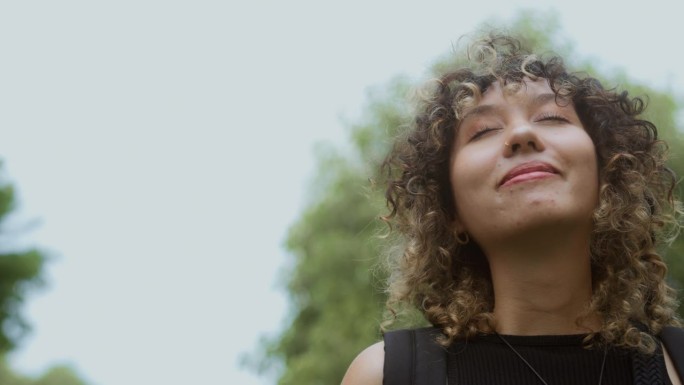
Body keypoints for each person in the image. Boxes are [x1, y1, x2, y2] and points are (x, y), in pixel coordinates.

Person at [341, 34, 683, 385]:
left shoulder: (675, 365)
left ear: (608, 175)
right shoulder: (386, 375)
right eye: (484, 130)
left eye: (551, 117)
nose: (521, 133)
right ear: (449, 211)